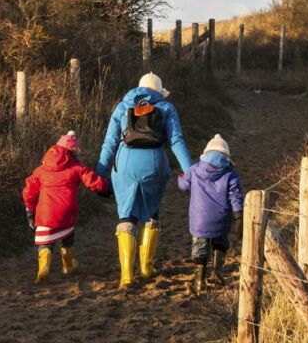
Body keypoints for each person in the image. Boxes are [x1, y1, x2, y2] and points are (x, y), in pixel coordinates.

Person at [96, 72, 193, 288]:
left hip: (124, 165)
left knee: (126, 216)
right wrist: (192, 172)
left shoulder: (122, 107)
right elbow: (176, 141)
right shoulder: (166, 108)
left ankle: (126, 276)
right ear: (159, 91)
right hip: (154, 164)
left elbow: (109, 142)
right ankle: (147, 267)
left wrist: (99, 173)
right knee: (152, 212)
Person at [23, 131, 111, 284]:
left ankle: (43, 268)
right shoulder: (76, 168)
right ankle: (68, 265)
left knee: (45, 242)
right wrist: (108, 188)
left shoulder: (41, 170)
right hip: (66, 211)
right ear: (72, 152)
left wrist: (30, 209)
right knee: (67, 238)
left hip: (45, 212)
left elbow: (28, 191)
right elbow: (94, 181)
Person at [178, 134, 243, 293]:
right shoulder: (231, 174)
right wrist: (239, 215)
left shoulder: (194, 169)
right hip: (222, 219)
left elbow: (183, 186)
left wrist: (181, 178)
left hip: (200, 220)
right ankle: (217, 273)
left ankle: (199, 282)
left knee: (200, 248)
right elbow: (235, 196)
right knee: (220, 244)